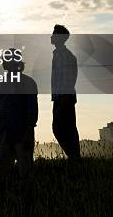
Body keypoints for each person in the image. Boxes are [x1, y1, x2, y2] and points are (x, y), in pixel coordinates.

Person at [0, 49, 38, 212]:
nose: (5, 63)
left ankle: (28, 205)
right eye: (5, 60)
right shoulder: (0, 83)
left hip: (22, 132)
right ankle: (0, 203)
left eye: (8, 60)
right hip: (6, 133)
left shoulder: (28, 83)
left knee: (25, 172)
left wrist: (28, 132)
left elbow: (32, 110)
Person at [50, 24, 81, 159]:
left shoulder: (65, 56)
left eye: (54, 34)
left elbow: (68, 78)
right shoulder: (59, 54)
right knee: (63, 127)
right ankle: (74, 157)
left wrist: (64, 97)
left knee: (63, 128)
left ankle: (74, 157)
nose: (51, 36)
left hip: (64, 97)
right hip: (60, 96)